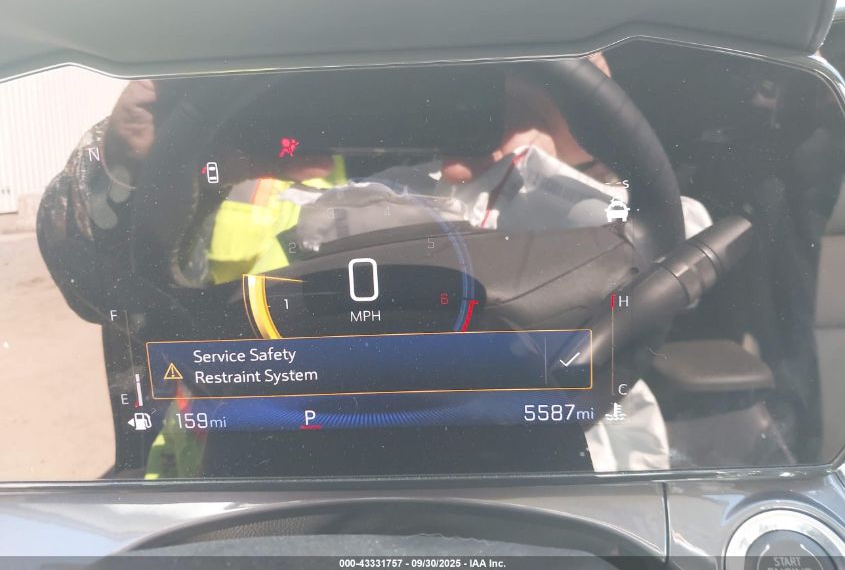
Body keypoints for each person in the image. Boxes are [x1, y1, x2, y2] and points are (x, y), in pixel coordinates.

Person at [38, 55, 683, 476]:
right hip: (242, 482)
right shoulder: (233, 172)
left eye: (469, 75)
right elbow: (97, 284)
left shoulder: (588, 193)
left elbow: (675, 270)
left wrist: (585, 154)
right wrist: (132, 165)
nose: (410, 96)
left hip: (527, 481)